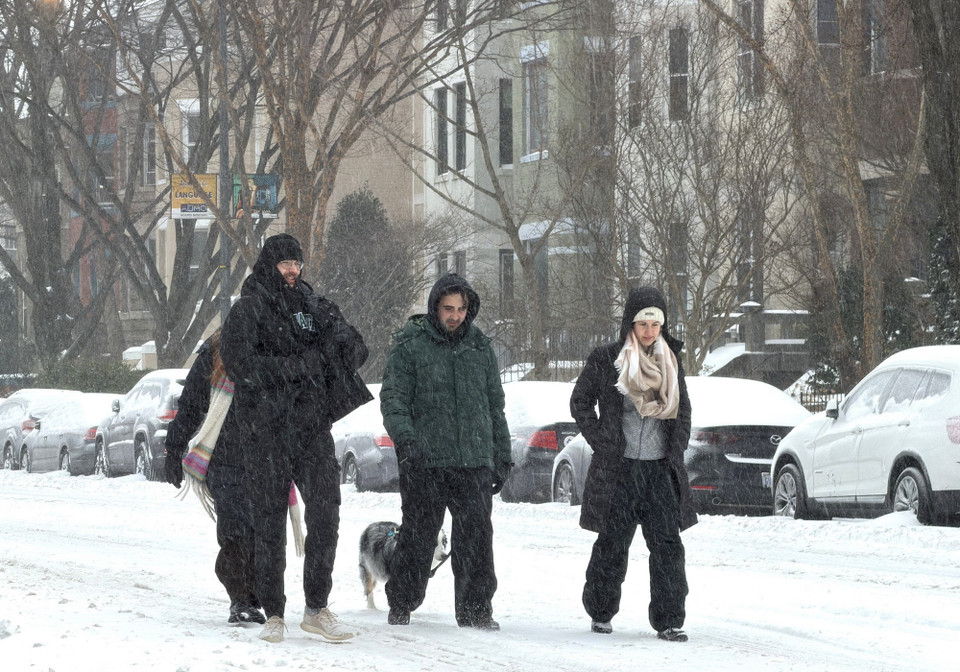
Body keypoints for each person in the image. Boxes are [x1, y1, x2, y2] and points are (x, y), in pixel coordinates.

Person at [219, 233, 372, 643]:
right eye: (285, 263)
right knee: (269, 523)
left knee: (327, 511)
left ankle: (317, 607)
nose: (292, 270)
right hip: (265, 432)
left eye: (297, 264)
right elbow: (240, 365)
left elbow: (351, 346)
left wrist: (346, 346)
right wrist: (296, 366)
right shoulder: (248, 309)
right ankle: (274, 613)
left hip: (311, 429)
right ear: (269, 264)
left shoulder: (312, 305)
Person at [380, 272, 512, 630]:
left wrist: (502, 454)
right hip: (425, 460)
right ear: (435, 307)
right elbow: (393, 399)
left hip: (473, 460)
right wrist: (406, 442)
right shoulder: (411, 344)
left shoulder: (480, 346)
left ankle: (476, 610)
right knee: (419, 536)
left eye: (460, 309)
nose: (454, 315)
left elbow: (494, 405)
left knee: (477, 538)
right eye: (447, 308)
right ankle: (403, 601)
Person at [569, 286, 698, 642]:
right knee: (612, 542)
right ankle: (601, 611)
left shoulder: (670, 360)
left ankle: (670, 619)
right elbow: (580, 402)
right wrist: (603, 441)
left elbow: (682, 410)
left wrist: (677, 447)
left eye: (656, 324)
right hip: (620, 470)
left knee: (668, 547)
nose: (649, 331)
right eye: (643, 323)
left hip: (659, 471)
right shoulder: (606, 358)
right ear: (630, 323)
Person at [164, 329, 264, 626]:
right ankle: (241, 599)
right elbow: (192, 401)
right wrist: (174, 446)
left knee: (261, 532)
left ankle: (256, 593)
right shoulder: (216, 350)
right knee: (235, 530)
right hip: (225, 458)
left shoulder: (278, 340)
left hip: (264, 458)